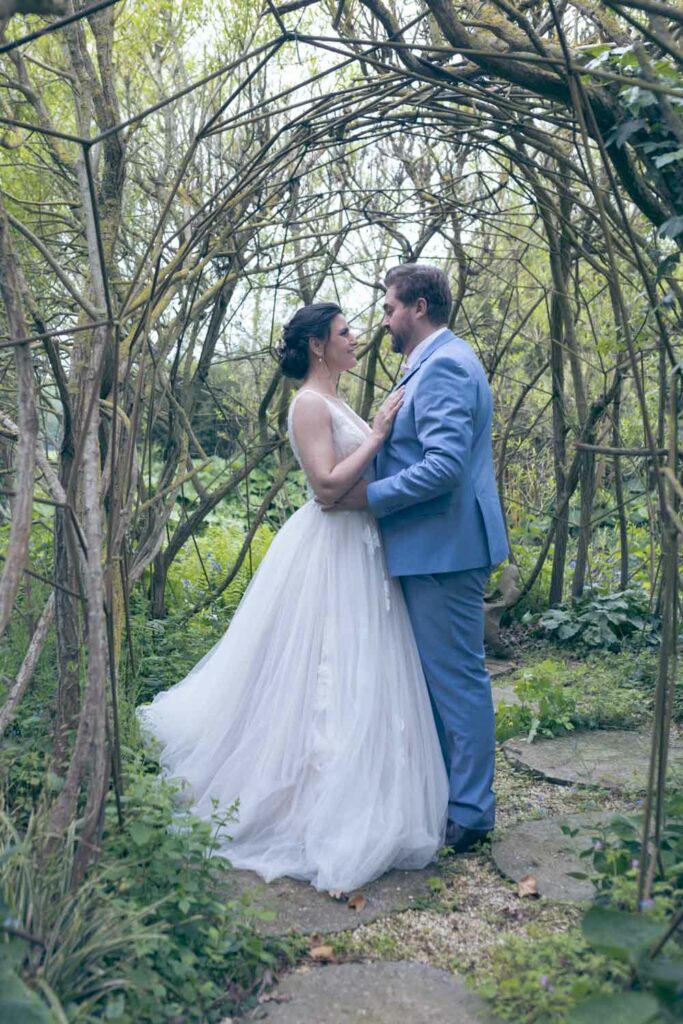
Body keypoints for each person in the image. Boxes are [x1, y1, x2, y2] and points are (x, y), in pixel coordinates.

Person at [139, 301, 448, 894]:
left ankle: (361, 794)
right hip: (329, 546)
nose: (357, 339)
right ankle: (304, 805)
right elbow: (328, 487)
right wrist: (379, 433)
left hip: (363, 547)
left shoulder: (337, 400)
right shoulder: (307, 404)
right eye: (345, 333)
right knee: (322, 672)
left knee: (361, 671)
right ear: (317, 345)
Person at [324, 265, 508, 853]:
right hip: (431, 545)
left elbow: (444, 465)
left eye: (388, 308)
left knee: (456, 681)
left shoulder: (447, 365)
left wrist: (371, 499)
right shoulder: (431, 362)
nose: (382, 320)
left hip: (444, 548)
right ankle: (449, 796)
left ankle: (472, 813)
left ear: (419, 307)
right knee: (438, 682)